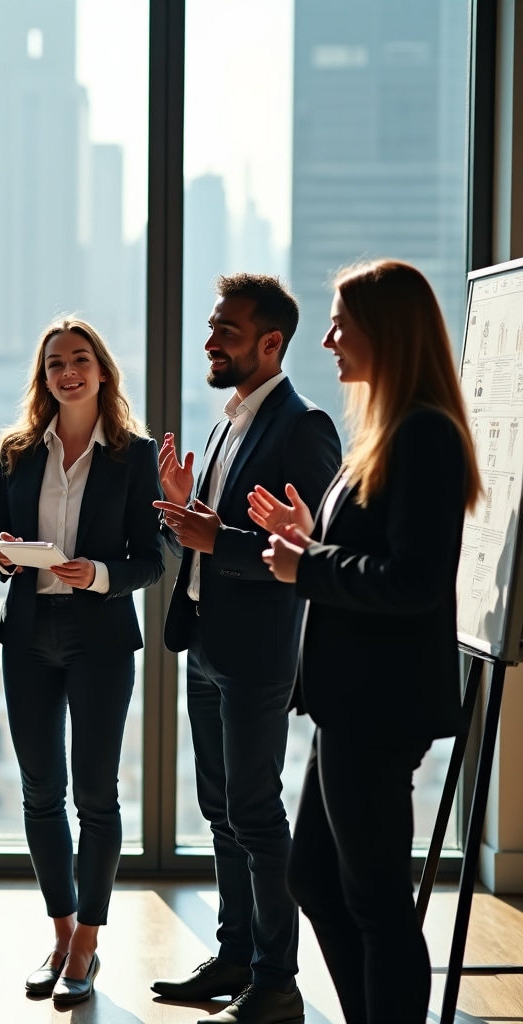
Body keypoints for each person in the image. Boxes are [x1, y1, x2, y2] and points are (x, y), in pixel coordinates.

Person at [253, 259, 481, 1024]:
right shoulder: (386, 432)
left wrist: (305, 563)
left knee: (375, 901)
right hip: (349, 704)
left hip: (378, 709)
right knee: (316, 881)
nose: (328, 340)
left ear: (385, 334)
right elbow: (377, 550)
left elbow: (414, 581)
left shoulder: (424, 436)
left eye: (342, 325)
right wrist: (309, 537)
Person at [151, 273, 341, 1024]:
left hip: (258, 653)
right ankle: (234, 956)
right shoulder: (229, 421)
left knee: (257, 814)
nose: (209, 341)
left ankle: (276, 981)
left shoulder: (305, 426)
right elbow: (219, 534)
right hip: (204, 639)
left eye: (225, 330)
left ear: (271, 342)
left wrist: (216, 538)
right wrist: (185, 514)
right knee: (221, 811)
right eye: (213, 326)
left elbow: (312, 552)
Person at [0, 318, 164, 1006]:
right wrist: (1, 555)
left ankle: (88, 941)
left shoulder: (132, 454)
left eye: (80, 359)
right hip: (28, 633)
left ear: (102, 371)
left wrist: (102, 575)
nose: (68, 372)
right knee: (39, 792)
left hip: (99, 636)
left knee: (95, 794)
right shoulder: (18, 452)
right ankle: (59, 934)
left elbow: (150, 558)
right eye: (56, 363)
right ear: (44, 376)